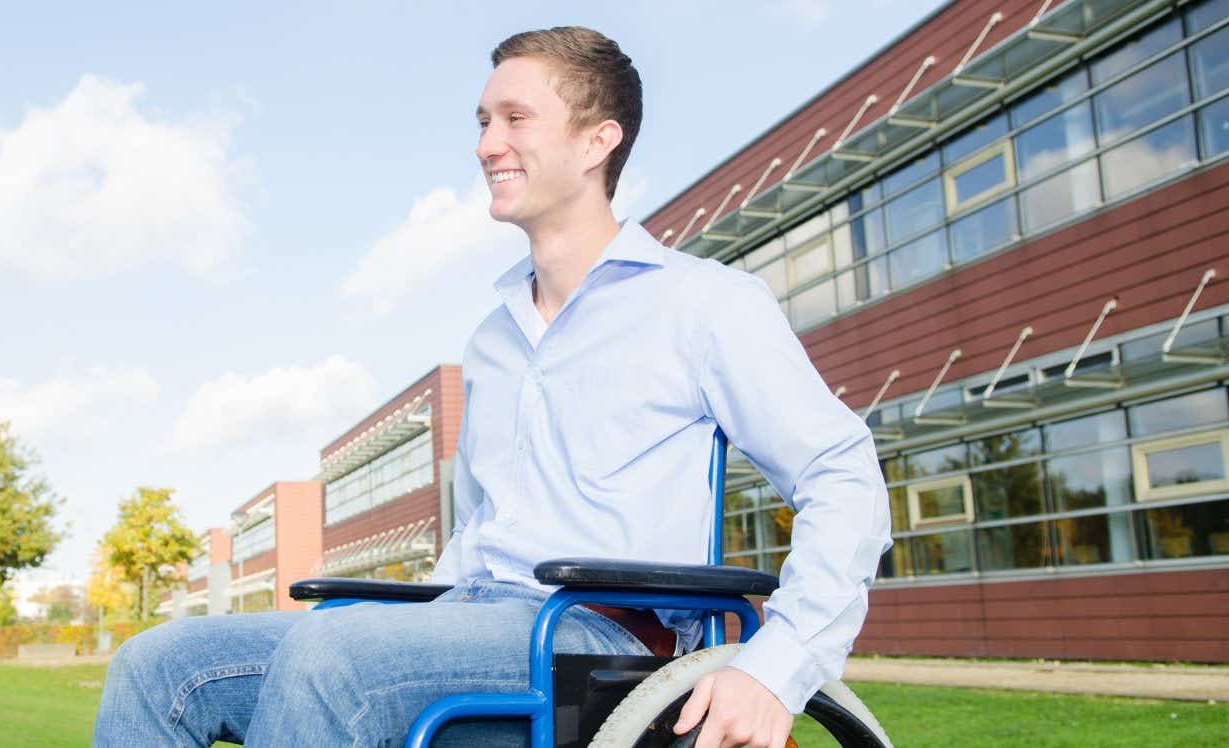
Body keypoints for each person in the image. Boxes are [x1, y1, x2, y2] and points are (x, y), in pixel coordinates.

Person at [94, 26, 890, 748]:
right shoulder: (494, 340)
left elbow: (843, 478)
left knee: (332, 654)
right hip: (470, 617)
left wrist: (776, 664)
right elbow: (478, 530)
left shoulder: (701, 303)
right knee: (157, 664)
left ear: (596, 142)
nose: (486, 144)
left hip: (596, 634)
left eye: (514, 119)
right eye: (482, 121)